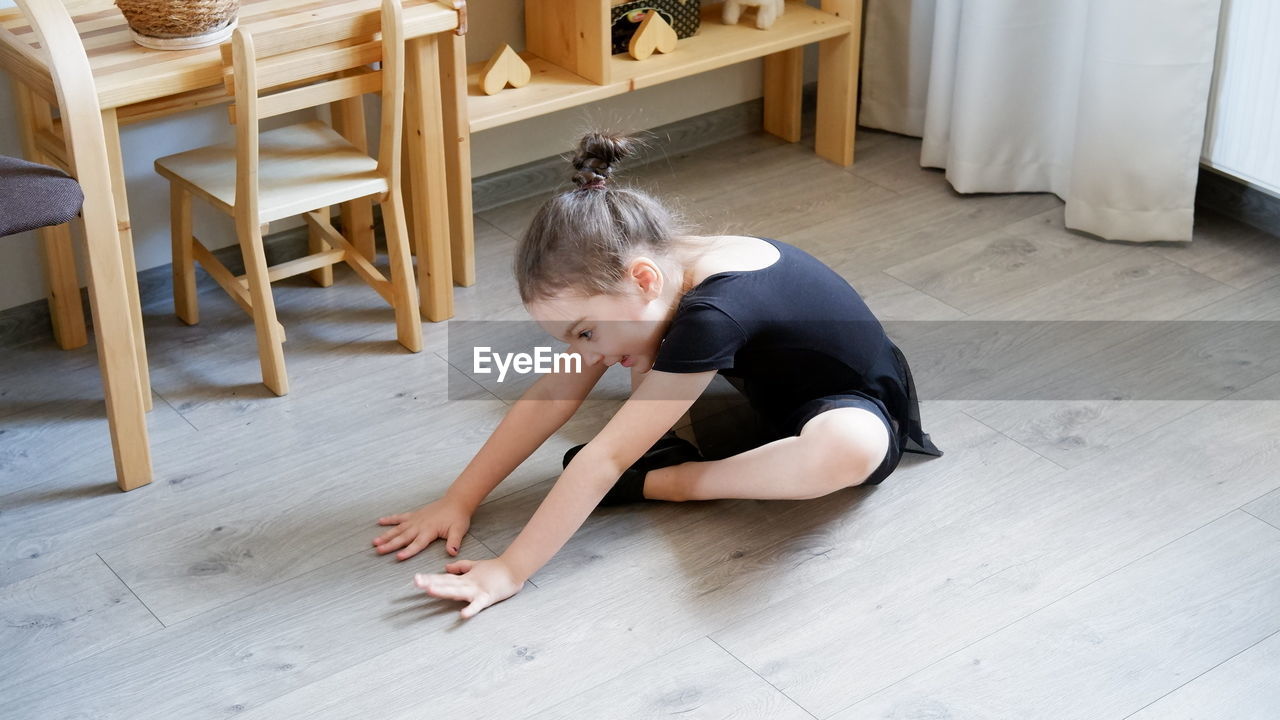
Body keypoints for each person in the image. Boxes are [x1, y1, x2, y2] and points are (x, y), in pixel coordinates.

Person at [372, 132, 942, 619]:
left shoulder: (709, 314)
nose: (581, 351)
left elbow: (604, 459)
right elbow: (551, 393)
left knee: (850, 448)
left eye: (584, 332)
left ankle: (669, 480)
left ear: (643, 279)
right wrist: (459, 498)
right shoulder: (656, 268)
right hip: (762, 382)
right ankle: (671, 441)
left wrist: (509, 569)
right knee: (634, 345)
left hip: (844, 398)